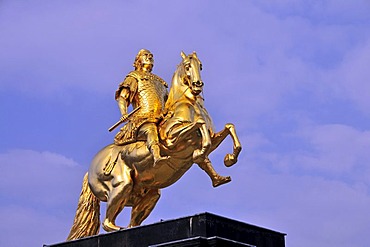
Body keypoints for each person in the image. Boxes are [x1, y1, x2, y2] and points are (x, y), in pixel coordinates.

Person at [112, 49, 169, 168]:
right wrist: (124, 113)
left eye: (151, 56)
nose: (149, 57)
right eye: (145, 55)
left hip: (162, 118)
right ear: (138, 61)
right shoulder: (134, 77)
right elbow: (123, 96)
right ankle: (157, 156)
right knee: (150, 129)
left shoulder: (160, 82)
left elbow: (168, 102)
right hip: (143, 119)